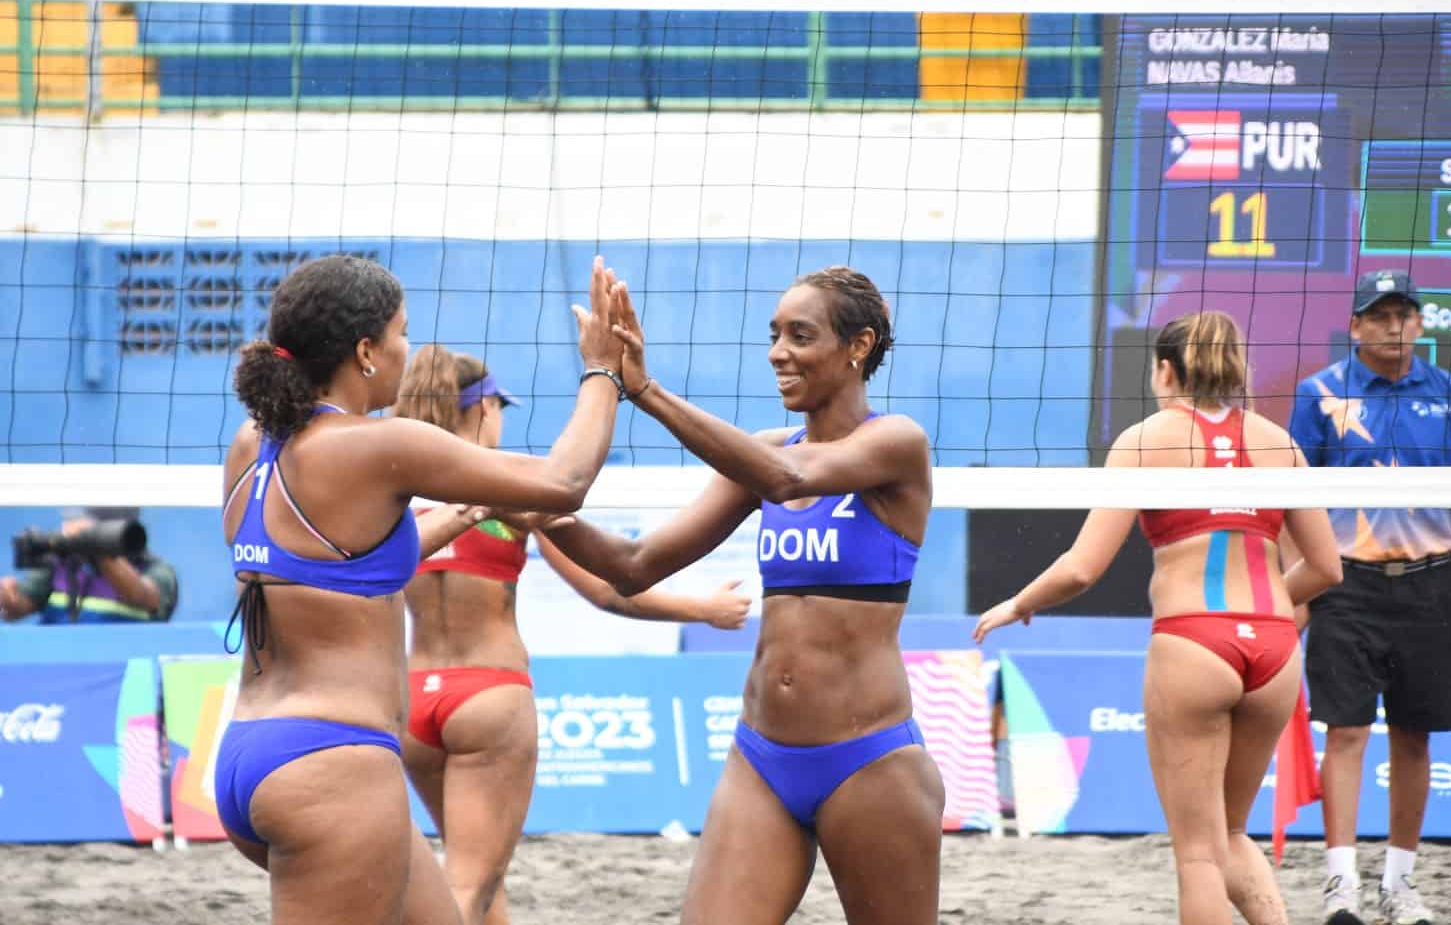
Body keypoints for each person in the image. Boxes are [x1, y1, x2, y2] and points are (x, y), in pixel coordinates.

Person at [215, 252, 628, 925]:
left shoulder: (251, 442)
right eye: (403, 332)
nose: (411, 348)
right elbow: (563, 481)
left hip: (251, 754)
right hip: (332, 765)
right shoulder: (379, 447)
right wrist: (604, 370)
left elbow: (337, 567)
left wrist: (460, 512)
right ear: (367, 350)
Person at [540, 266, 945, 925]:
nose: (777, 352)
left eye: (800, 335)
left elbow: (790, 479)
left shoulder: (895, 444)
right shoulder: (765, 451)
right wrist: (545, 515)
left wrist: (644, 389)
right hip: (761, 758)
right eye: (775, 334)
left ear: (859, 346)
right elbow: (635, 567)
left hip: (868, 760)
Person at [974, 310, 1344, 925]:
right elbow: (1328, 569)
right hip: (1276, 648)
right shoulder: (1282, 444)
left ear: (1165, 370)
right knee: (1228, 833)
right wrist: (1267, 606)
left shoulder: (1146, 440)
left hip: (1194, 641)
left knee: (1197, 855)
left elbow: (1082, 567)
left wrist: (1019, 603)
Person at [393, 343, 752, 925]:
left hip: (413, 703)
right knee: (469, 883)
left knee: (482, 875)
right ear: (481, 408)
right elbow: (608, 587)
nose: (504, 418)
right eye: (500, 406)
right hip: (487, 695)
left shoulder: (396, 491)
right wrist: (702, 608)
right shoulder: (506, 488)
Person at [1289, 270, 1451, 925]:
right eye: (1377, 315)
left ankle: (1400, 885)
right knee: (1345, 732)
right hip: (1345, 583)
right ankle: (1341, 884)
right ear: (1355, 326)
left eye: (1403, 312)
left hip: (1431, 581)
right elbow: (1298, 497)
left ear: (1421, 323)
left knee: (1414, 737)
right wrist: (1294, 586)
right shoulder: (1319, 392)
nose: (1392, 324)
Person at [0, 506, 178, 623]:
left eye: (83, 527)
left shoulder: (157, 570)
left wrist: (96, 550)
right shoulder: (60, 563)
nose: (67, 529)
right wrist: (7, 598)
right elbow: (19, 606)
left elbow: (145, 597)